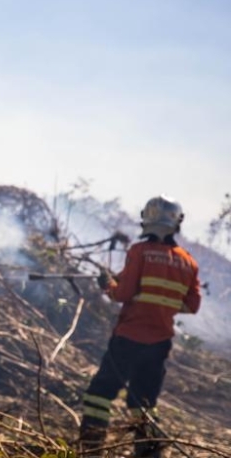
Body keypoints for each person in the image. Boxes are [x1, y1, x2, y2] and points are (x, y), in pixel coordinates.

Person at [78, 195, 202, 458]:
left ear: (147, 218)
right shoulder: (188, 262)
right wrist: (161, 306)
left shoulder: (140, 251)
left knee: (99, 394)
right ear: (176, 223)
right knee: (143, 403)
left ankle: (91, 450)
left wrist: (107, 285)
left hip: (129, 337)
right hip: (160, 343)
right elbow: (192, 305)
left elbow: (122, 293)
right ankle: (150, 455)